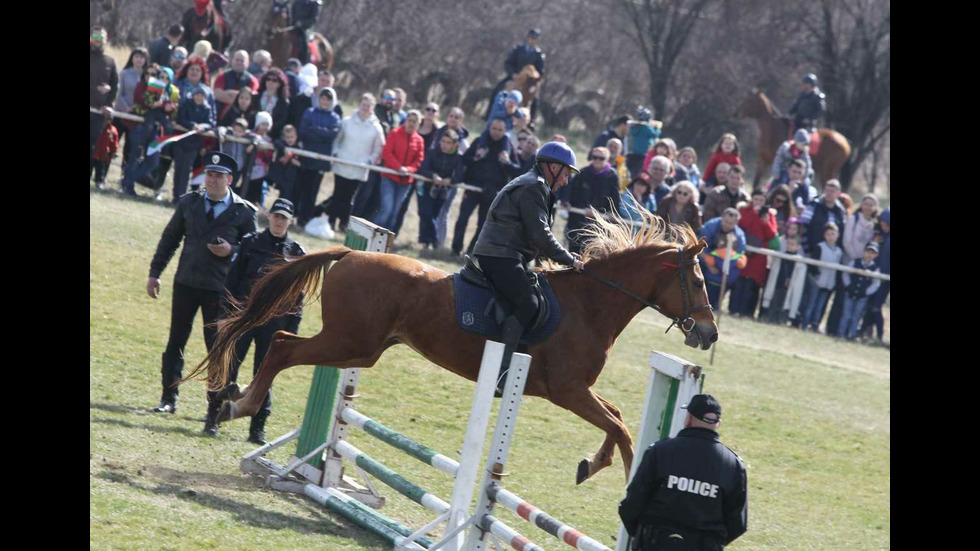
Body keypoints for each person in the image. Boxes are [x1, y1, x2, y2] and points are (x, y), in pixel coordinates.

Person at [146, 152, 258, 422]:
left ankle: (214, 408)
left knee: (217, 350)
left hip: (219, 290)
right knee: (176, 342)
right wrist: (154, 273)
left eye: (218, 176)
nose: (212, 179)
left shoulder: (243, 211)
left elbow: (253, 251)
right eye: (209, 174)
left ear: (229, 179)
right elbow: (170, 239)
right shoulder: (189, 202)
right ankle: (168, 399)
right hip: (186, 281)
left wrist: (232, 249)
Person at [472, 141, 584, 395]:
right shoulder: (534, 187)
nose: (566, 181)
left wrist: (565, 256)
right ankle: (500, 373)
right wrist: (570, 260)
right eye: (566, 173)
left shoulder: (534, 183)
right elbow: (541, 235)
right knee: (529, 304)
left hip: (504, 253)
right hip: (501, 255)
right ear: (553, 167)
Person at [221, 198, 305, 442]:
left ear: (290, 221)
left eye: (284, 218)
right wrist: (226, 316)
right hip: (245, 317)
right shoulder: (251, 243)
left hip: (274, 324)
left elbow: (299, 295)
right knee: (230, 367)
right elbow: (232, 281)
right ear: (268, 216)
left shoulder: (297, 253)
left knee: (264, 375)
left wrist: (292, 332)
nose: (279, 222)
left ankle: (257, 429)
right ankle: (214, 416)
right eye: (276, 216)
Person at [619, 394, 747, 551]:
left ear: (688, 419)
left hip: (655, 543)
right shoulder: (734, 465)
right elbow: (738, 523)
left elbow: (632, 503)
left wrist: (641, 536)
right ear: (718, 424)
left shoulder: (660, 451)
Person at [313, 93, 385, 232]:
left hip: (359, 167)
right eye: (363, 104)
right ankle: (331, 220)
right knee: (338, 193)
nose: (365, 107)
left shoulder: (376, 128)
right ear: (360, 105)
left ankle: (344, 223)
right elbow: (338, 140)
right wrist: (336, 153)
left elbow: (378, 148)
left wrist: (369, 161)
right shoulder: (347, 121)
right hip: (342, 163)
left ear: (372, 108)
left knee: (349, 197)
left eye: (368, 105)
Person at [452, 118, 520, 255]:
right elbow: (464, 159)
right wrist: (476, 157)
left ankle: (471, 251)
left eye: (500, 130)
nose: (496, 132)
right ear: (489, 128)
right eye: (494, 129)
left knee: (483, 224)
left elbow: (517, 169)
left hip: (492, 192)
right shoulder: (479, 142)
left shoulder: (508, 147)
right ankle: (455, 249)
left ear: (505, 131)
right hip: (473, 188)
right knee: (462, 219)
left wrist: (507, 162)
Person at [121, 65, 179, 196]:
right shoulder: (145, 87)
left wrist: (171, 108)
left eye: (154, 74)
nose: (150, 76)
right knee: (134, 157)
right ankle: (128, 186)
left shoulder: (171, 91)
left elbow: (172, 113)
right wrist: (156, 106)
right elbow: (139, 106)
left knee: (153, 161)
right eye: (148, 73)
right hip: (140, 127)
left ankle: (128, 180)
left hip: (156, 129)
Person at [372, 109, 425, 232]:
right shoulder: (394, 133)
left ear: (418, 124)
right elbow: (387, 153)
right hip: (389, 177)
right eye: (409, 120)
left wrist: (409, 169)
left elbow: (419, 160)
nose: (411, 123)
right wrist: (398, 167)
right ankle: (373, 235)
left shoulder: (419, 140)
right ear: (405, 121)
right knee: (387, 209)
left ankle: (386, 242)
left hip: (405, 182)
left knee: (395, 212)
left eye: (415, 121)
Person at [295, 87, 341, 227]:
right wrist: (321, 133)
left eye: (328, 99)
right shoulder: (309, 112)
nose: (325, 101)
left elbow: (332, 135)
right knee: (301, 189)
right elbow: (304, 131)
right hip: (306, 158)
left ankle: (305, 219)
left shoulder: (335, 117)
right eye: (322, 98)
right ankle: (296, 216)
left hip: (320, 162)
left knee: (313, 191)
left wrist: (315, 129)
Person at [559, 146, 618, 254]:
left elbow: (614, 198)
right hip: (578, 221)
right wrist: (566, 201)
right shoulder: (582, 173)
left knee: (593, 255)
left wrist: (611, 214)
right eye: (595, 157)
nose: (597, 160)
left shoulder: (612, 176)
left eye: (601, 158)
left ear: (607, 160)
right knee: (574, 252)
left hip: (599, 224)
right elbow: (571, 189)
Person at [729, 190, 779, 318]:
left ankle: (748, 312)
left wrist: (765, 221)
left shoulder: (769, 215)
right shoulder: (744, 210)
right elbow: (741, 225)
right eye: (756, 199)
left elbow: (771, 234)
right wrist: (753, 213)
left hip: (759, 257)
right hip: (744, 253)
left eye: (761, 200)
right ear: (752, 199)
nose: (758, 202)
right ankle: (733, 308)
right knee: (739, 281)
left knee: (753, 284)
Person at [417, 129, 465, 248]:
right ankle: (433, 239)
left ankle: (427, 242)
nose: (444, 145)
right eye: (443, 141)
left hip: (443, 191)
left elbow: (460, 176)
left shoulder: (458, 158)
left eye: (448, 142)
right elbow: (423, 169)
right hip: (427, 187)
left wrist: (450, 180)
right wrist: (433, 175)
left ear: (454, 144)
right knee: (425, 213)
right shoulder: (432, 152)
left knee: (434, 215)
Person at [488, 28, 546, 121]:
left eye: (534, 38)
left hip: (530, 81)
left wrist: (535, 77)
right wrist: (513, 74)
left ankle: (531, 121)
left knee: (535, 99)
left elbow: (541, 70)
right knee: (498, 89)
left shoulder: (539, 54)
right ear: (528, 38)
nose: (532, 40)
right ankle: (489, 113)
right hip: (515, 76)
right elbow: (508, 63)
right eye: (531, 38)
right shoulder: (517, 49)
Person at [698, 209, 748, 311]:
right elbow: (700, 248)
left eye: (730, 223)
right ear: (722, 218)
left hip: (726, 267)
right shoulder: (710, 226)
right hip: (705, 262)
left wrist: (729, 267)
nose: (727, 225)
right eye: (725, 221)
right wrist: (709, 265)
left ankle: (715, 307)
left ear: (736, 223)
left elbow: (740, 254)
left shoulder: (739, 236)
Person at [172, 87, 216, 201]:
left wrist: (202, 127)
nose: (199, 98)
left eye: (202, 96)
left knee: (186, 170)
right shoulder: (186, 104)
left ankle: (181, 197)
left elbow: (210, 123)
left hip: (194, 144)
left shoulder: (207, 108)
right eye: (197, 95)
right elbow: (180, 118)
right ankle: (175, 195)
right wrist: (192, 125)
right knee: (178, 169)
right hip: (181, 141)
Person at [800, 222, 843, 332]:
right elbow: (813, 264)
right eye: (828, 234)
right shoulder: (820, 247)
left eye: (833, 234)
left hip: (829, 283)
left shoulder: (839, 252)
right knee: (811, 303)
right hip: (817, 281)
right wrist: (816, 275)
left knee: (820, 306)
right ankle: (805, 323)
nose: (830, 237)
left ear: (837, 235)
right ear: (824, 235)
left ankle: (815, 324)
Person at [114, 47, 149, 170]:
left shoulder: (148, 77)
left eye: (142, 57)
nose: (139, 59)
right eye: (136, 56)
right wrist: (127, 110)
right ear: (132, 58)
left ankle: (124, 175)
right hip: (121, 114)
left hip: (137, 118)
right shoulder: (124, 73)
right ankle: (101, 177)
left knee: (130, 148)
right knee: (112, 144)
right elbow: (118, 94)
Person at [837, 242, 880, 340]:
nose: (869, 255)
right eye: (868, 252)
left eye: (872, 253)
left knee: (856, 316)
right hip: (850, 292)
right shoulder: (855, 262)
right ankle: (841, 333)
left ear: (876, 255)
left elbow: (876, 283)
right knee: (846, 314)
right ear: (864, 252)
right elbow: (846, 274)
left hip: (862, 296)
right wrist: (848, 285)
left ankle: (851, 335)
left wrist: (866, 292)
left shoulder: (875, 268)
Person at [761, 233, 806, 325]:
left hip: (789, 288)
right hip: (778, 285)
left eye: (792, 244)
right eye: (788, 243)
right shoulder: (780, 257)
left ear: (798, 247)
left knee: (786, 305)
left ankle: (782, 321)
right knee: (774, 303)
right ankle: (770, 319)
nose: (789, 246)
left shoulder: (800, 263)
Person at [90, 26, 118, 162]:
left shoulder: (110, 61)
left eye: (100, 38)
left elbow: (114, 87)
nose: (97, 40)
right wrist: (96, 89)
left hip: (98, 113)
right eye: (95, 37)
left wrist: (108, 104)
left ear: (106, 40)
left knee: (92, 147)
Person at [799, 179, 845, 255]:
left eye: (832, 191)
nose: (829, 193)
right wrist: (806, 249)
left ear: (838, 194)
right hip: (811, 251)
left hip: (831, 255)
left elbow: (842, 233)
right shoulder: (813, 205)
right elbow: (802, 226)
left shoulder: (841, 211)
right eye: (827, 190)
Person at [213, 50, 260, 122]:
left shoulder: (253, 80)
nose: (239, 62)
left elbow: (252, 98)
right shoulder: (222, 76)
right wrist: (241, 97)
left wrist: (229, 93)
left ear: (247, 63)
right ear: (232, 60)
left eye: (242, 61)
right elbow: (217, 95)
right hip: (220, 115)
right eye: (237, 60)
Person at [267, 124, 303, 201]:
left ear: (296, 137)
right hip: (278, 175)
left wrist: (295, 162)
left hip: (290, 178)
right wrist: (284, 150)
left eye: (292, 137)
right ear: (283, 137)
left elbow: (301, 163)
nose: (290, 139)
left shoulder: (298, 148)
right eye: (287, 137)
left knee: (285, 196)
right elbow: (276, 142)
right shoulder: (281, 144)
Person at [626, 106, 662, 178]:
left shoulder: (634, 127)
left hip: (634, 154)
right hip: (644, 154)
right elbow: (654, 134)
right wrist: (657, 129)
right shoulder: (646, 128)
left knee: (634, 172)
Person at [256, 68, 291, 140]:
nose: (270, 82)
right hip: (253, 134)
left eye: (274, 80)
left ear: (280, 84)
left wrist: (266, 129)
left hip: (271, 138)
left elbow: (281, 122)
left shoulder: (284, 103)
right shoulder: (256, 97)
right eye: (268, 79)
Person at [290, 0, 323, 64]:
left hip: (306, 28)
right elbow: (292, 13)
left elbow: (314, 19)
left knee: (304, 42)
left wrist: (302, 23)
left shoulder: (315, 3)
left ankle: (303, 62)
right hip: (293, 26)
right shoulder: (297, 1)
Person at [91, 117, 119, 190]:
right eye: (107, 118)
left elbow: (114, 142)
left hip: (103, 154)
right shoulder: (95, 125)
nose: (108, 120)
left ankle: (99, 182)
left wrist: (114, 150)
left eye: (110, 119)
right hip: (93, 151)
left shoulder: (113, 130)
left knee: (101, 169)